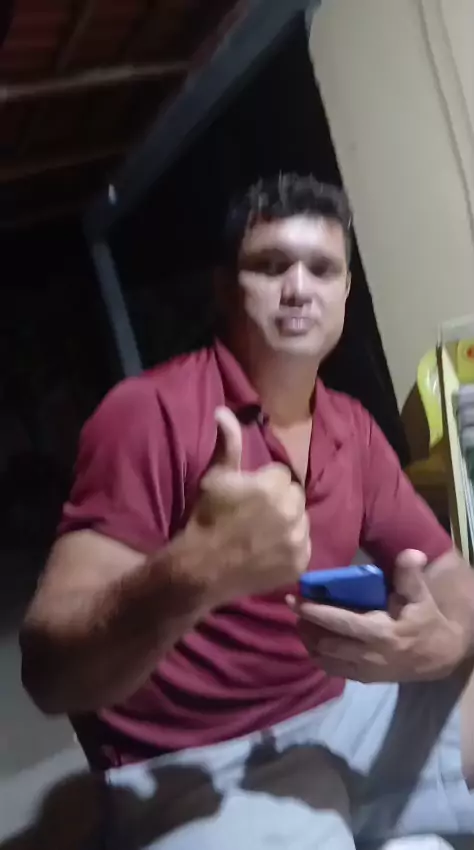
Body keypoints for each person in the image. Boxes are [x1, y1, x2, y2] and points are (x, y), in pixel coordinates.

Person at [21, 175, 474, 849]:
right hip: (197, 760)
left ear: (346, 291)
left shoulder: (352, 426)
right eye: (270, 265)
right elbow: (49, 675)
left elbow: (445, 569)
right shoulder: (147, 413)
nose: (299, 288)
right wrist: (195, 570)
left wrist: (443, 641)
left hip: (340, 705)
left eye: (322, 269)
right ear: (225, 288)